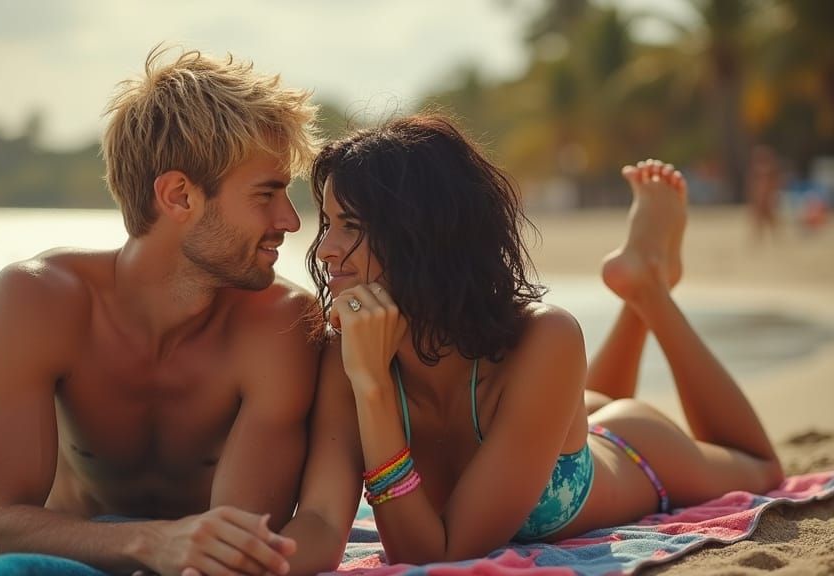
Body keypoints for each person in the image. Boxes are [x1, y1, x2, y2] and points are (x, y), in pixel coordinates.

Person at [280, 114, 785, 572]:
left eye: (350, 226)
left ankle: (648, 291)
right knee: (563, 407)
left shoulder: (545, 338)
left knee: (761, 467)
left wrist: (372, 387)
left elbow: (436, 556)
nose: (324, 250)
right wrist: (249, 560)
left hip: (632, 450)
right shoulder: (344, 353)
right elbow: (322, 519)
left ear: (422, 235)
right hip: (539, 420)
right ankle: (640, 275)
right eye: (328, 223)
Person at [0, 46, 321, 576]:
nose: (291, 221)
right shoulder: (39, 300)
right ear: (179, 196)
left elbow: (239, 539)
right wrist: (153, 542)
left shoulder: (281, 326)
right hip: (77, 553)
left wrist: (171, 546)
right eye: (266, 194)